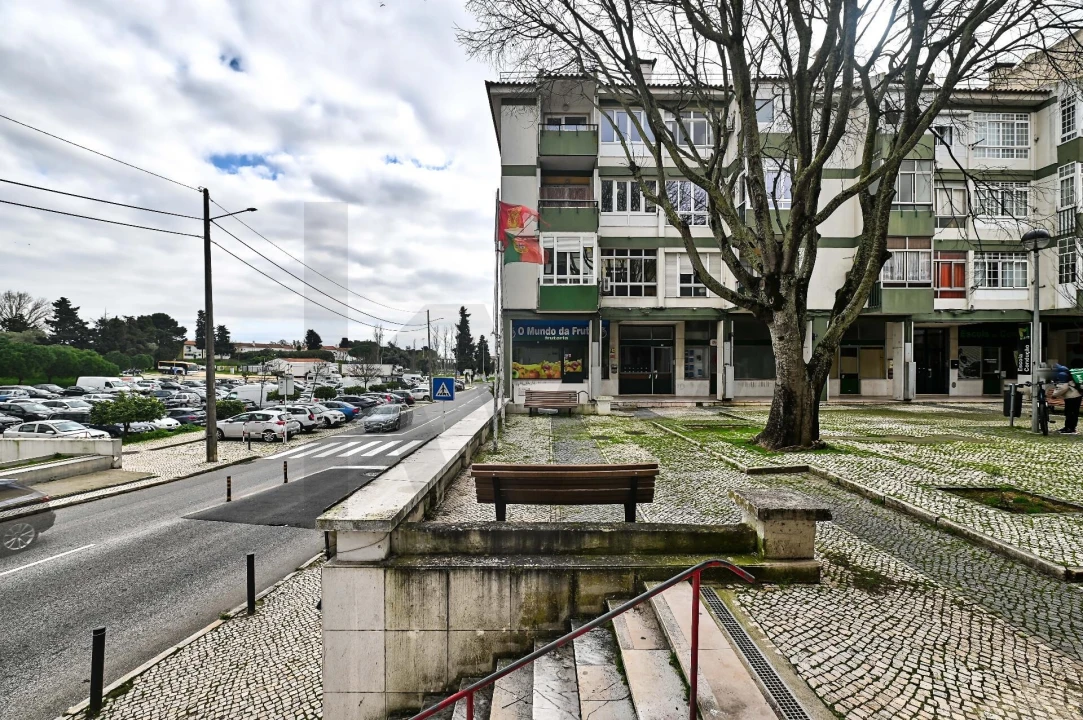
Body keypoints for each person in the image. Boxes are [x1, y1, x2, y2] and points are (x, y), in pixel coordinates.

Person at [1051, 362, 1081, 435]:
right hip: (1076, 395)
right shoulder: (1068, 373)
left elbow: (1063, 387)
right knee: (1073, 413)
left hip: (1071, 396)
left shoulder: (1062, 375)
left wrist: (1054, 394)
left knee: (1070, 413)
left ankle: (1069, 428)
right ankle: (1069, 427)